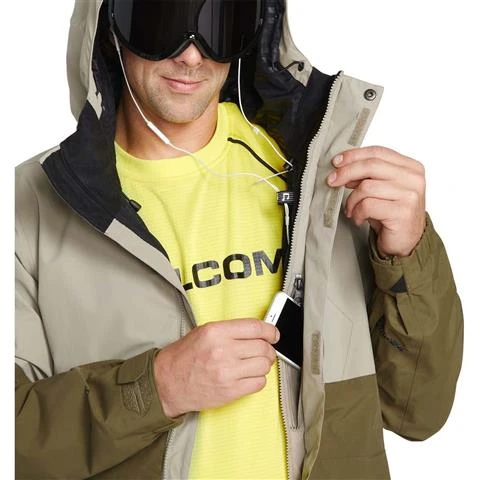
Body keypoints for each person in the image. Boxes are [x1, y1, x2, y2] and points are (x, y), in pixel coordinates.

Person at [15, 0, 463, 478]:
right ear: (108, 26)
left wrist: (408, 256)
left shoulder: (320, 183)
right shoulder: (29, 208)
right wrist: (155, 390)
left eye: (219, 24)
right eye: (163, 22)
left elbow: (416, 411)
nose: (192, 56)